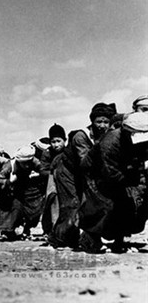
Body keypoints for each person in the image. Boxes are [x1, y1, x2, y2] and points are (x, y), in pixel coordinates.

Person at [48, 103, 117, 248]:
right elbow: (85, 162)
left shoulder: (107, 135)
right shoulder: (81, 136)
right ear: (92, 122)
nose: (102, 125)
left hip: (82, 173)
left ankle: (78, 237)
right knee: (71, 205)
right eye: (99, 121)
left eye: (106, 122)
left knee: (88, 205)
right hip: (66, 172)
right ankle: (58, 239)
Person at [79, 112, 148, 253]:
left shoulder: (141, 141)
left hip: (122, 172)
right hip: (96, 174)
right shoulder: (110, 142)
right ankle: (90, 238)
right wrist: (132, 183)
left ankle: (119, 240)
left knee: (128, 205)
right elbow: (109, 172)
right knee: (104, 205)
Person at [0, 145, 43, 240]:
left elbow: (43, 170)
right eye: (24, 163)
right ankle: (7, 231)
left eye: (28, 163)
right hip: (10, 191)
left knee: (34, 209)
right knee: (14, 209)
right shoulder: (9, 166)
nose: (27, 166)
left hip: (26, 188)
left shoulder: (35, 161)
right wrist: (9, 181)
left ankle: (27, 229)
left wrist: (38, 175)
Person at [40, 124, 67, 236]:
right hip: (52, 184)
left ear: (65, 140)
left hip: (67, 184)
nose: (56, 145)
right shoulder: (47, 153)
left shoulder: (68, 152)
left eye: (58, 141)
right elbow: (43, 170)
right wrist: (56, 173)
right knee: (52, 205)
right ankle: (52, 231)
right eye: (53, 142)